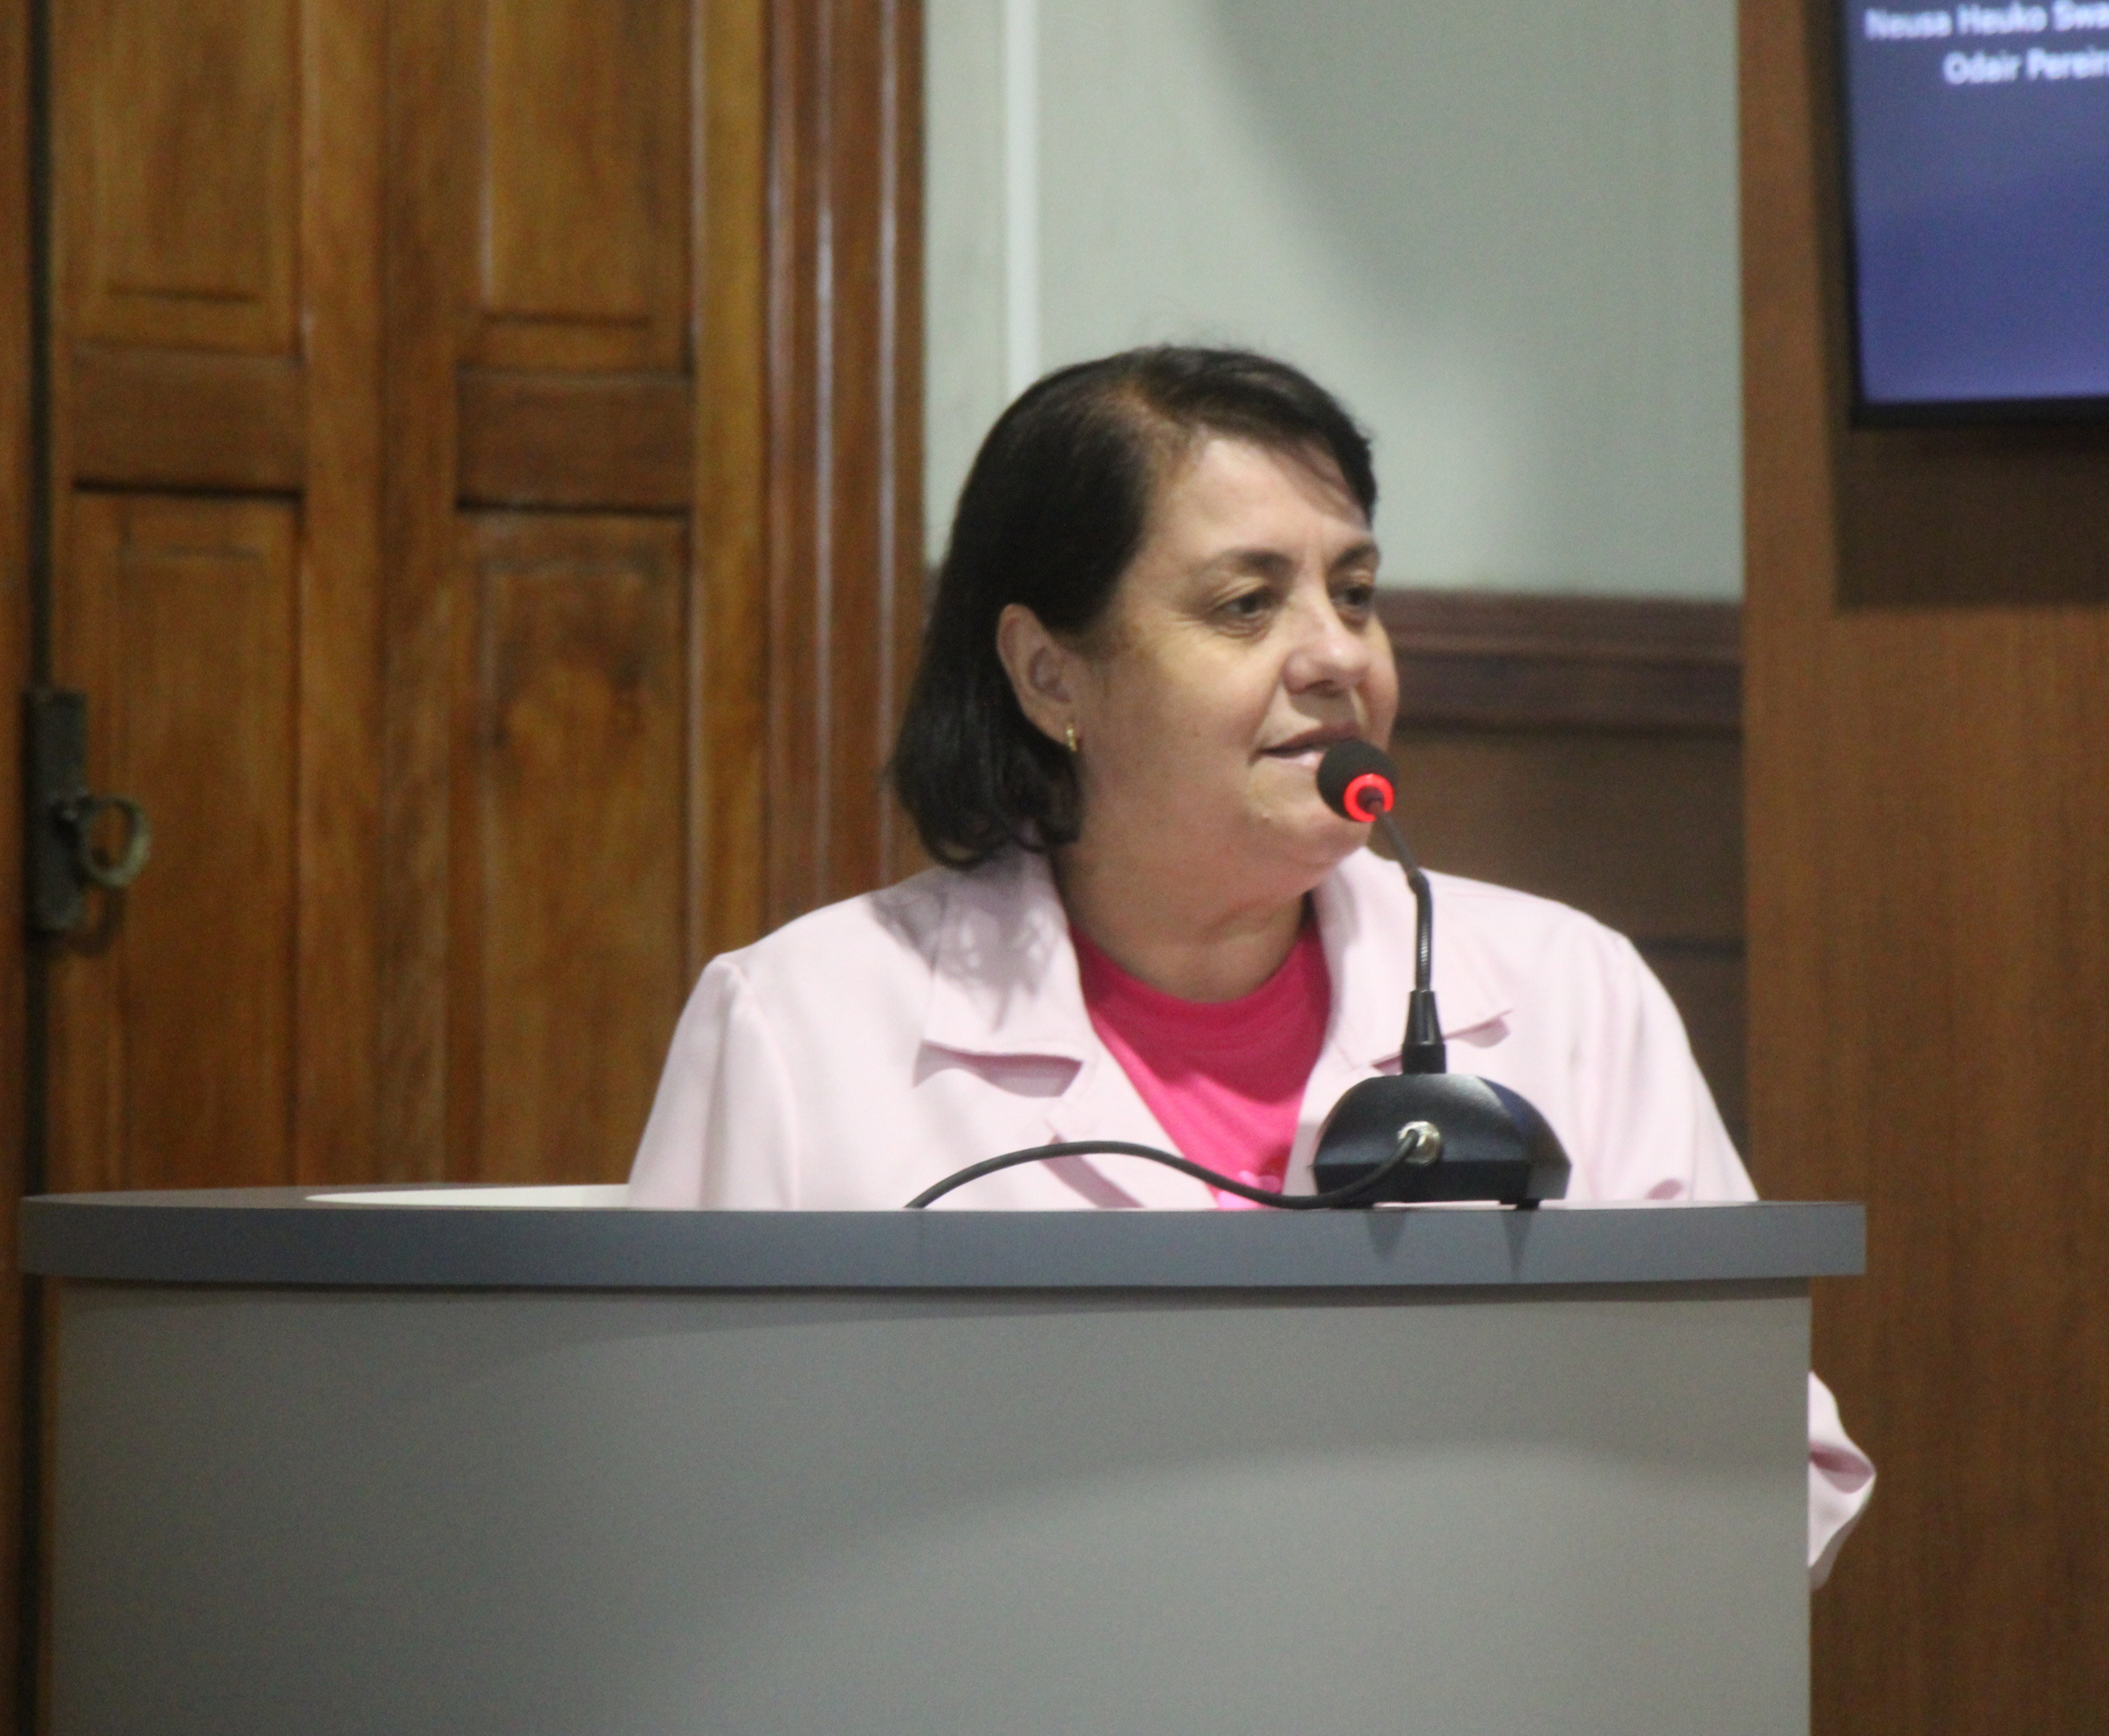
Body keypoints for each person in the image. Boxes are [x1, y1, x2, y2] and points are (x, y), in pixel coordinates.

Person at [628, 345, 1874, 1581]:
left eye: (1357, 591)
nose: (1337, 655)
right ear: (1049, 670)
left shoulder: (1569, 993)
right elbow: (657, 1510)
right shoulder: (802, 1026)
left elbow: (1778, 1478)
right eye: (1247, 603)